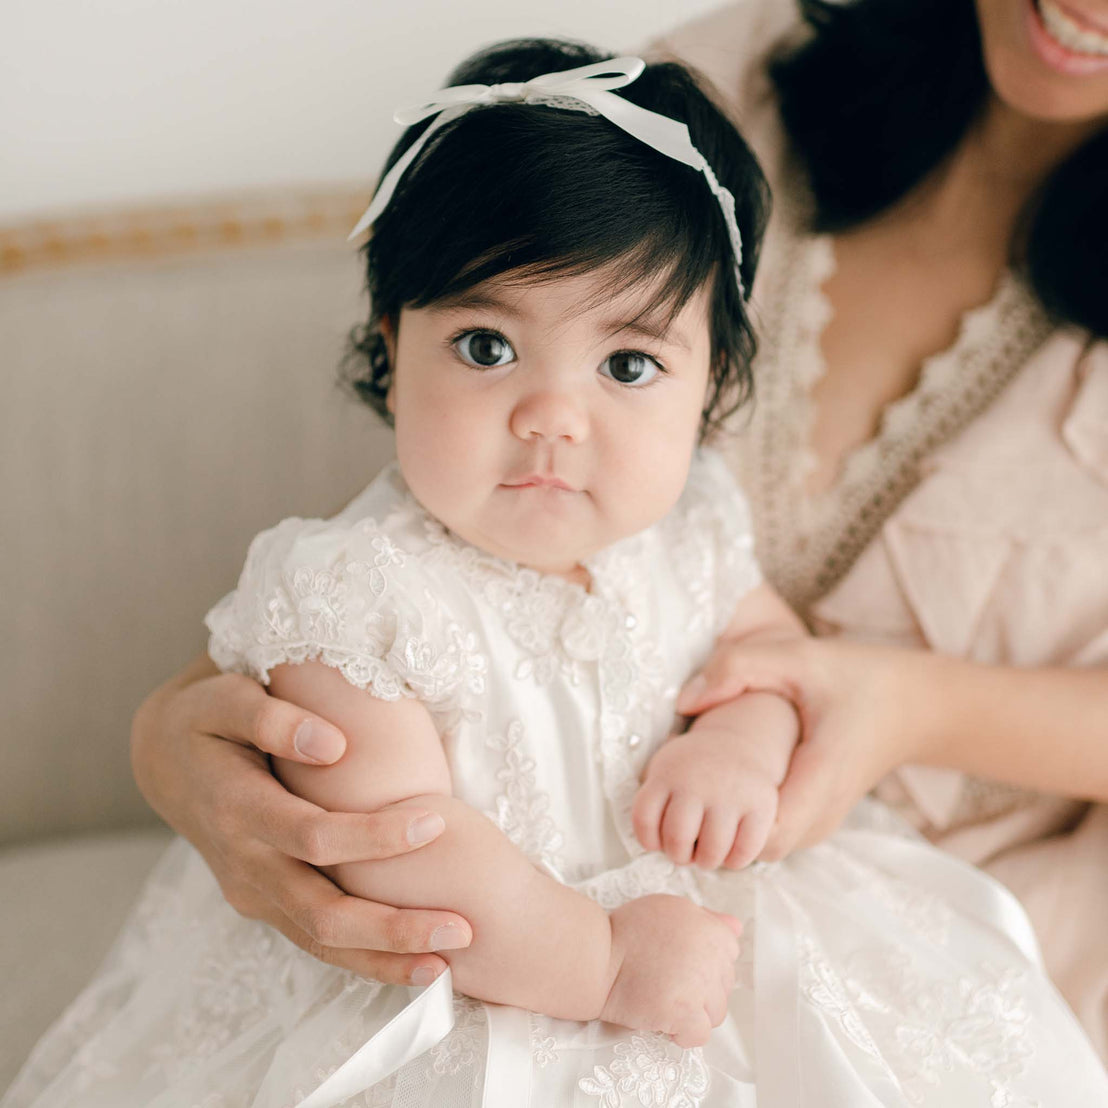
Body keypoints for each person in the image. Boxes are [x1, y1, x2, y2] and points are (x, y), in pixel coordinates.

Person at [8, 35, 1107, 1108]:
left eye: (628, 363)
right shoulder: (349, 588)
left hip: (711, 930)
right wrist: (606, 964)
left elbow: (768, 656)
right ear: (391, 351)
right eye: (487, 347)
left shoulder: (694, 524)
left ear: (713, 383)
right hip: (485, 972)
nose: (551, 415)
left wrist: (739, 740)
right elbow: (392, 847)